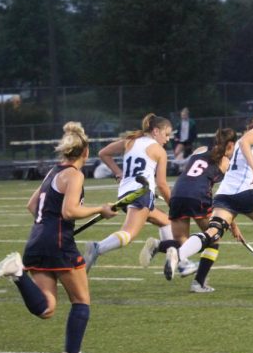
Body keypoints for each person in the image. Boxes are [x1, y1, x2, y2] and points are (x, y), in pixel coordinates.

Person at [0, 122, 118, 353]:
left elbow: (31, 205)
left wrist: (50, 224)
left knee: (47, 308)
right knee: (81, 300)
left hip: (37, 240)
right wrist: (99, 209)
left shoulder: (52, 172)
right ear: (86, 152)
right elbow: (69, 211)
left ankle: (18, 275)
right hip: (59, 243)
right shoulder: (75, 174)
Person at [170, 105, 253, 289]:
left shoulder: (248, 134)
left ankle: (179, 255)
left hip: (225, 194)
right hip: (247, 191)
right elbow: (244, 143)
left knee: (212, 233)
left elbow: (242, 144)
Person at [82, 113, 197, 278]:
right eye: (166, 134)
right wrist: (174, 205)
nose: (167, 139)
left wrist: (118, 173)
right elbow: (163, 184)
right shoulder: (159, 151)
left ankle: (182, 263)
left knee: (165, 222)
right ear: (156, 131)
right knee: (128, 234)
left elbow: (103, 153)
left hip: (126, 193)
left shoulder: (130, 142)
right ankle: (97, 247)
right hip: (141, 193)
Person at [139, 128, 243, 293]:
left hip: (177, 194)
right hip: (198, 196)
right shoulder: (225, 163)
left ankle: (159, 246)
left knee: (183, 242)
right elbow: (225, 197)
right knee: (212, 238)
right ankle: (198, 283)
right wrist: (233, 225)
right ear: (230, 145)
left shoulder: (200, 150)